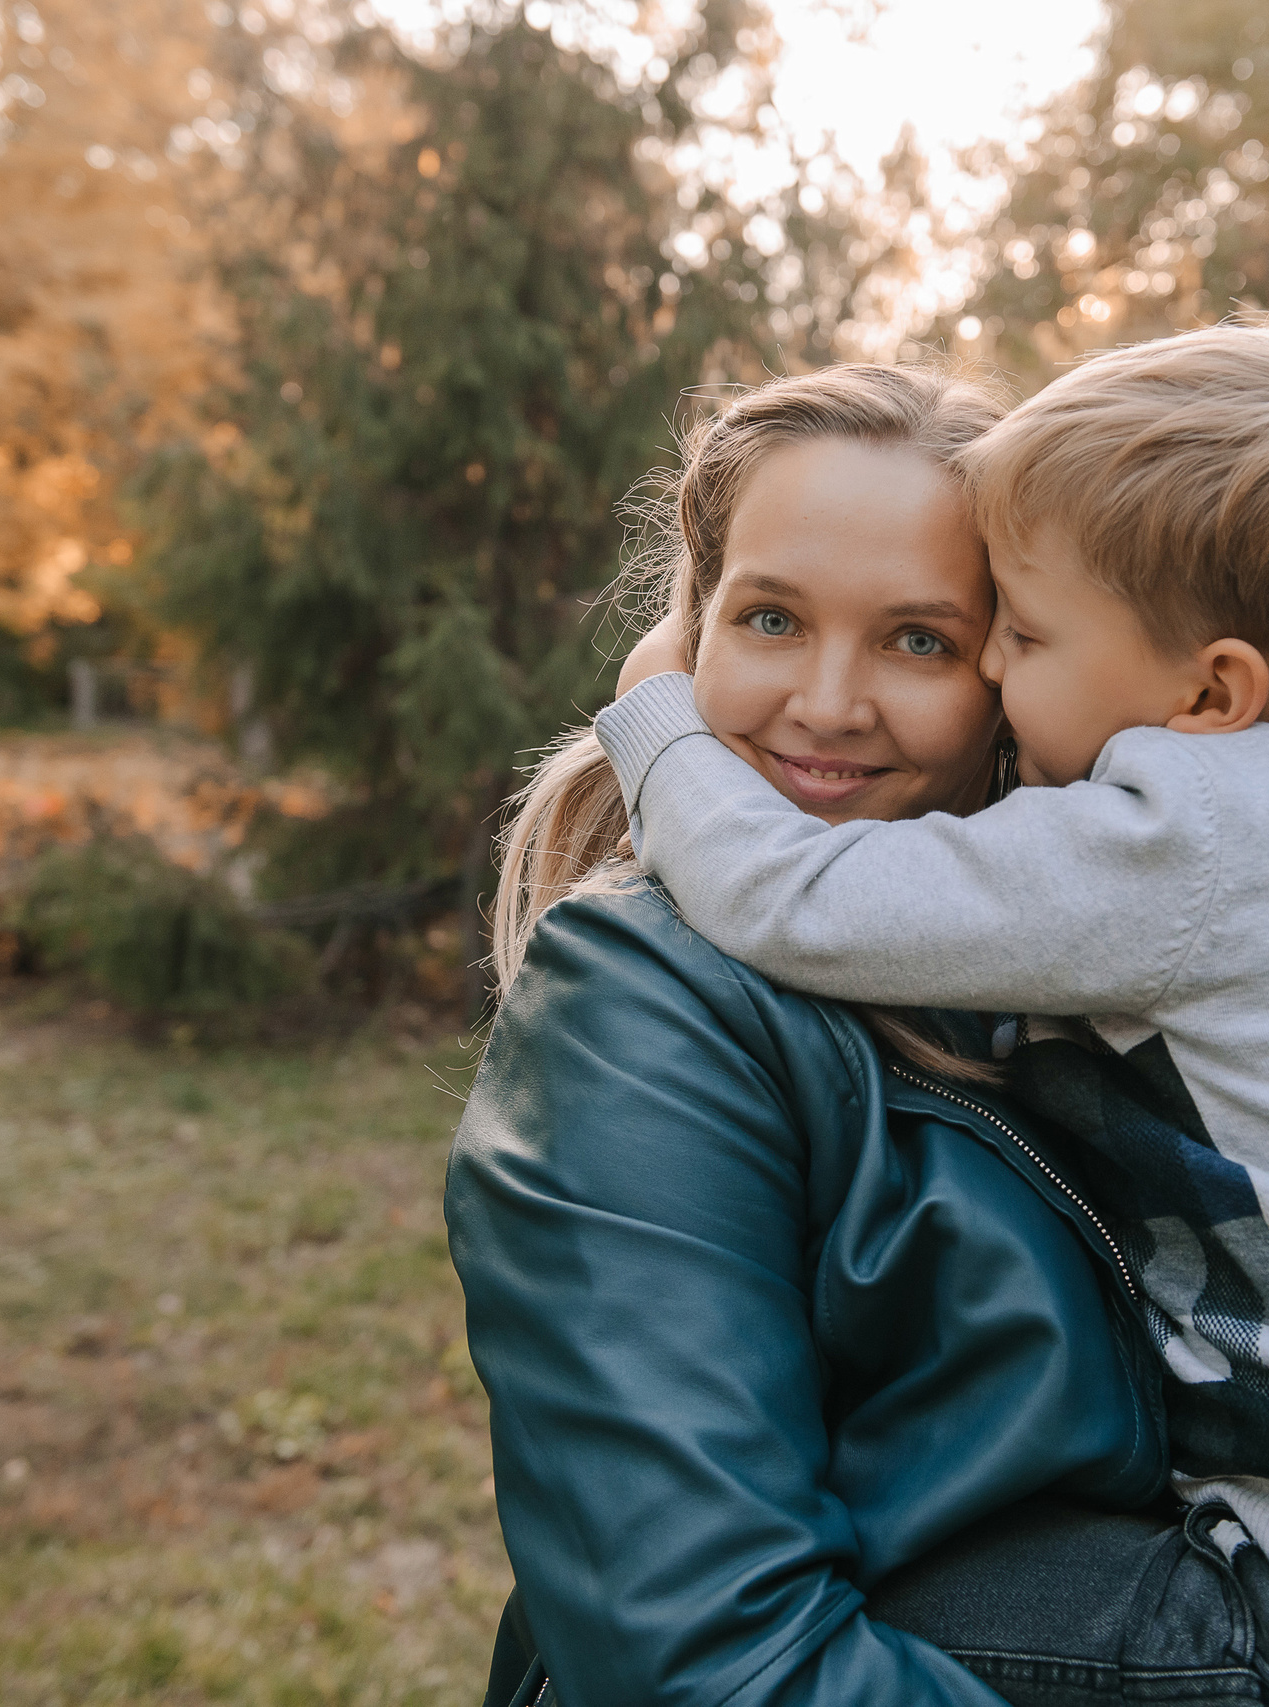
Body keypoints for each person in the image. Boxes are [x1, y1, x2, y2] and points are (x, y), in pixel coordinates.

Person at [593, 310, 1269, 1690]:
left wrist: (657, 716)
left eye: (1025, 637)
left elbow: (791, 903)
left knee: (795, 1605)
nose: (993, 671)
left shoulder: (1192, 836)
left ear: (1213, 692)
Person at [444, 364, 1171, 1707]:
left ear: (1013, 665)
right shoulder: (642, 1005)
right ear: (688, 640)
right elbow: (714, 1662)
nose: (829, 706)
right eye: (771, 618)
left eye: (918, 641)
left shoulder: (1083, 959)